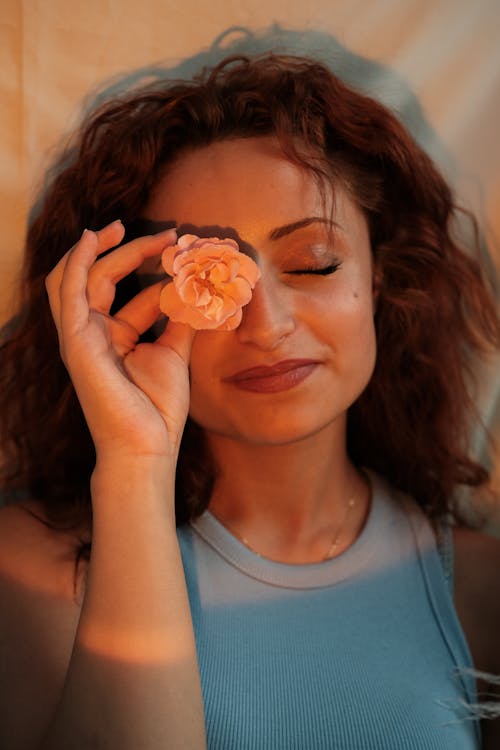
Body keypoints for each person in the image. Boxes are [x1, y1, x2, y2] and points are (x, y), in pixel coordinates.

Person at [0, 52, 499, 750]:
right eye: (209, 283)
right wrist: (135, 461)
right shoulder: (35, 571)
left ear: (383, 278)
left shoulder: (478, 589)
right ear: (130, 307)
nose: (266, 326)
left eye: (313, 264)